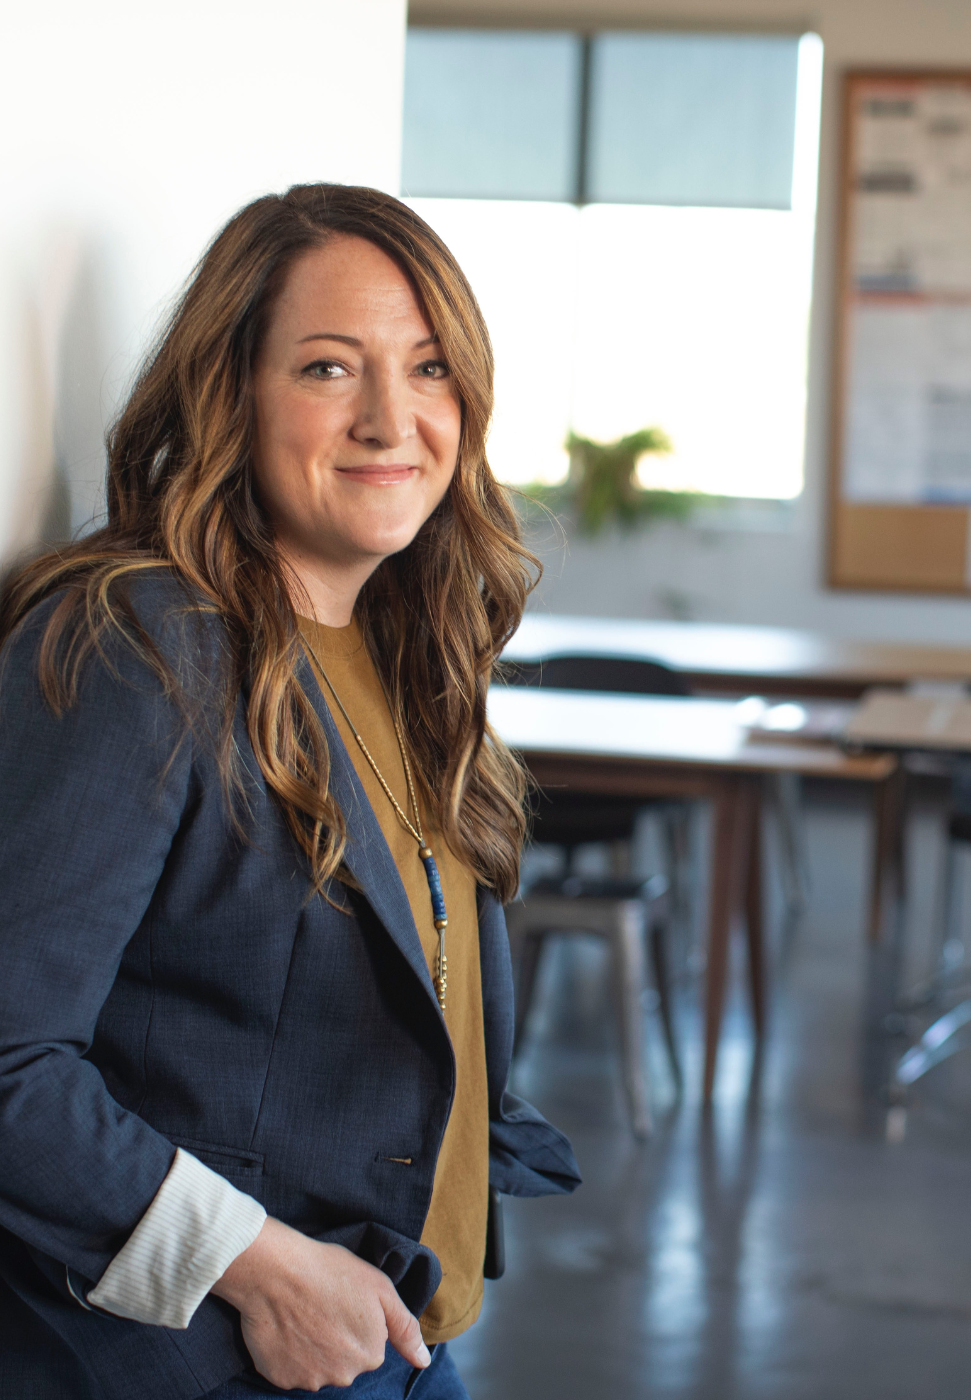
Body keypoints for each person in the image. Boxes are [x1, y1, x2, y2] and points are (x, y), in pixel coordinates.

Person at [0, 184, 580, 1400]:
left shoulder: (408, 647)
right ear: (233, 393)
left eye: (429, 368)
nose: (391, 417)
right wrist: (258, 1266)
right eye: (328, 367)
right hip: (230, 1351)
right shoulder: (140, 644)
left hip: (396, 1325)